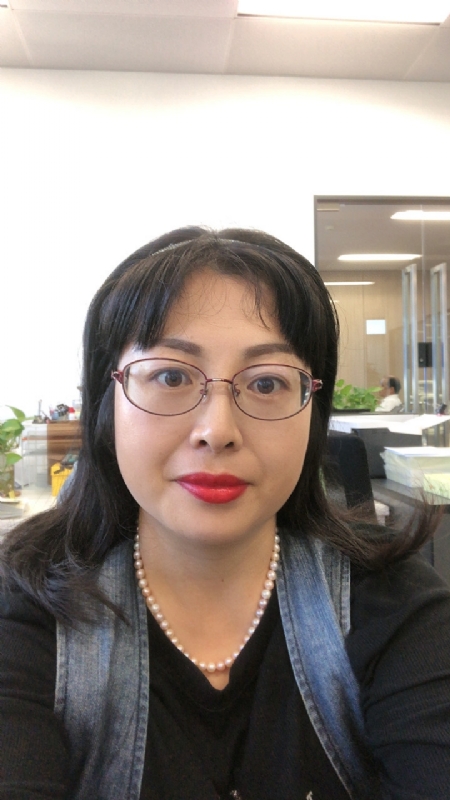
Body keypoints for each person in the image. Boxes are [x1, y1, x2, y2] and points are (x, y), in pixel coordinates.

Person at [0, 228, 449, 800]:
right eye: (170, 376)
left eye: (267, 382)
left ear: (312, 412)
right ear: (107, 403)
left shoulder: (398, 607)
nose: (217, 431)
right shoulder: (25, 615)